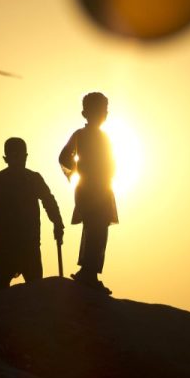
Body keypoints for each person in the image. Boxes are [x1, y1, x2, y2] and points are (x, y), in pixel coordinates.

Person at [0, 137, 65, 294]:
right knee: (8, 287)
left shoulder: (9, 180)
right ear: (8, 158)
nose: (18, 160)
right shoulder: (7, 180)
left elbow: (49, 202)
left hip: (21, 244)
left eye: (19, 156)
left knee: (23, 287)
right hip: (9, 244)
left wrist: (58, 224)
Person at [57, 92, 118, 294]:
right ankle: (88, 273)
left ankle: (90, 272)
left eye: (105, 110)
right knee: (95, 229)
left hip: (102, 188)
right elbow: (65, 157)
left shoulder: (104, 137)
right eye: (100, 110)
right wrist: (80, 170)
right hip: (91, 189)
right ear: (86, 113)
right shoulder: (80, 135)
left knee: (99, 231)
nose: (103, 114)